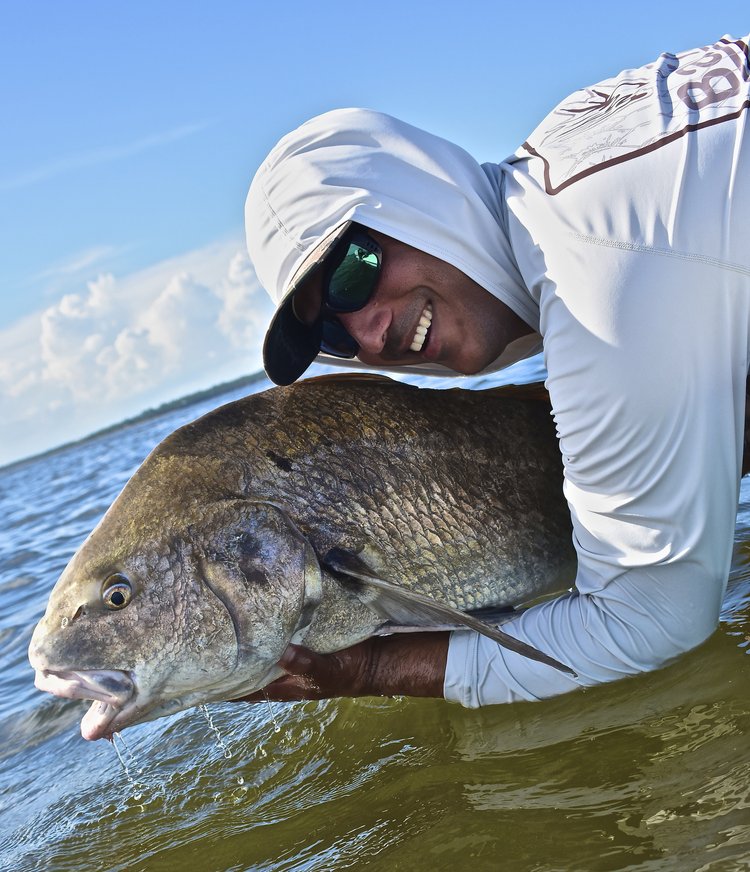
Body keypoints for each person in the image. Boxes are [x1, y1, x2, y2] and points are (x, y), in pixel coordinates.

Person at [238, 34, 750, 707]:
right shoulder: (572, 154)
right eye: (331, 329)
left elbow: (650, 621)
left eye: (352, 273)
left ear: (413, 191)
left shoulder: (593, 284)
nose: (369, 330)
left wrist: (370, 671)